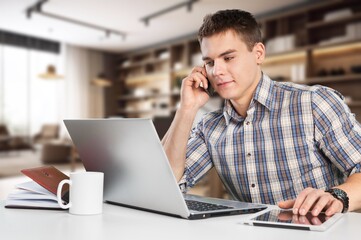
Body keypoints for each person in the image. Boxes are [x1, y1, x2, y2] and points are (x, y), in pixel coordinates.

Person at [161, 9, 361, 217]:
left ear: (258, 53)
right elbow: (166, 184)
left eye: (228, 57)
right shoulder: (209, 126)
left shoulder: (314, 102)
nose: (216, 71)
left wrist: (338, 195)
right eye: (209, 62)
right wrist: (187, 108)